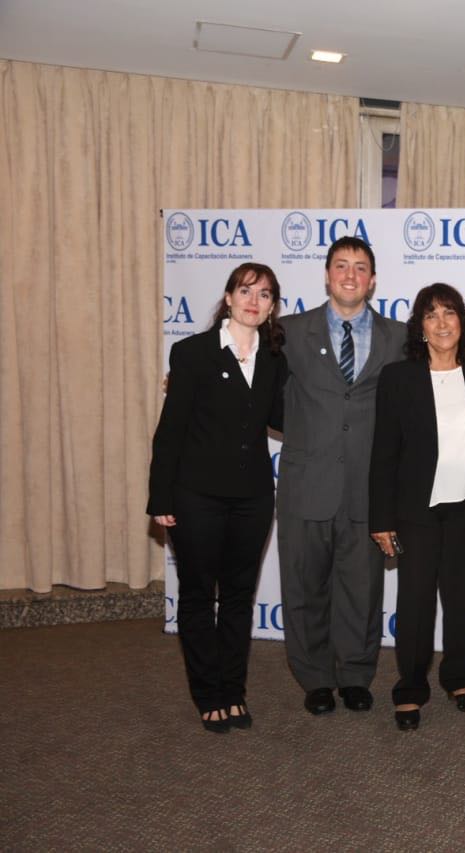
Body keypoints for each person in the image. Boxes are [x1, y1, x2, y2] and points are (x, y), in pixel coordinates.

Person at [147, 263, 288, 732]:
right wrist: (160, 497)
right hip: (196, 497)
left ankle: (233, 690)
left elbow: (282, 419)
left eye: (264, 295)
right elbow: (170, 431)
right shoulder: (192, 353)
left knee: (238, 598)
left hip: (253, 499)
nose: (254, 301)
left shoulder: (275, 358)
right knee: (196, 596)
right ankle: (207, 693)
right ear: (228, 297)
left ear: (272, 307)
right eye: (246, 291)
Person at [277, 236, 402, 716]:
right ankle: (315, 678)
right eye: (342, 266)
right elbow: (253, 384)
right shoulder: (289, 332)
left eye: (360, 267)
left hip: (368, 488)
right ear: (327, 275)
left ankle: (354, 675)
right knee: (304, 587)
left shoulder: (399, 337)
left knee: (361, 589)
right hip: (307, 484)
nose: (351, 275)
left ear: (373, 280)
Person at [369, 284, 465, 731]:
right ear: (420, 328)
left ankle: (459, 678)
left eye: (449, 313)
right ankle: (409, 688)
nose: (442, 323)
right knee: (416, 600)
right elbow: (384, 452)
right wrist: (381, 518)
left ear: (462, 321)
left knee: (462, 598)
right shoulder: (398, 378)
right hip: (417, 510)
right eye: (431, 315)